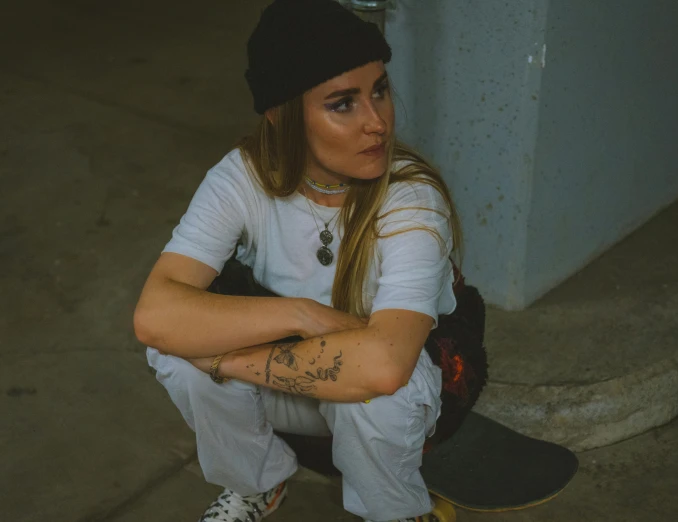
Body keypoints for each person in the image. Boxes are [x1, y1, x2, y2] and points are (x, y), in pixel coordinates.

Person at [133, 0, 463, 520]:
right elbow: (155, 314)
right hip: (293, 373)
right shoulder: (241, 177)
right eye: (343, 104)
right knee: (172, 352)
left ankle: (395, 511)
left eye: (379, 90)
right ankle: (257, 482)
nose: (377, 122)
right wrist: (299, 314)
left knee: (385, 397)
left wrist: (225, 360)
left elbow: (382, 365)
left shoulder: (411, 197)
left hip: (374, 391)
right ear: (282, 113)